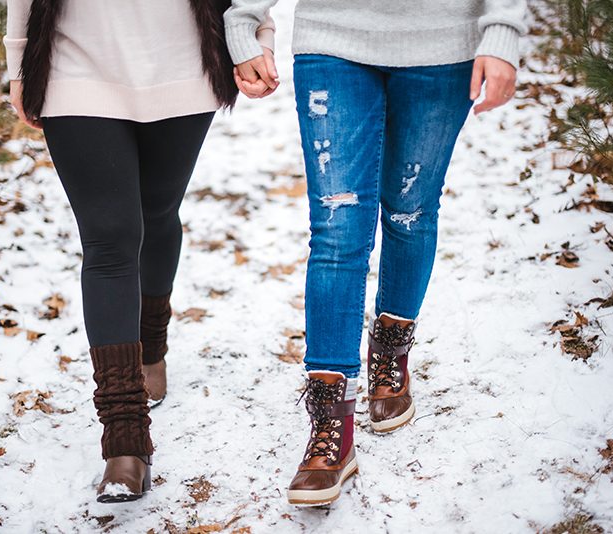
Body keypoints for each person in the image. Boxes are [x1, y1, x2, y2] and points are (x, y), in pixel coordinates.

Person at [225, 0, 527, 506]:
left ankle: (389, 351)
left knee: (410, 212)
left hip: (443, 43)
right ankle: (331, 428)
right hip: (333, 38)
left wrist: (502, 31)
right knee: (337, 230)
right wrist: (246, 20)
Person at [4, 0, 274, 503]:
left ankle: (151, 345)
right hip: (74, 66)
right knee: (109, 240)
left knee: (157, 213)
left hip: (184, 64)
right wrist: (19, 62)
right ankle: (124, 438)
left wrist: (257, 36)